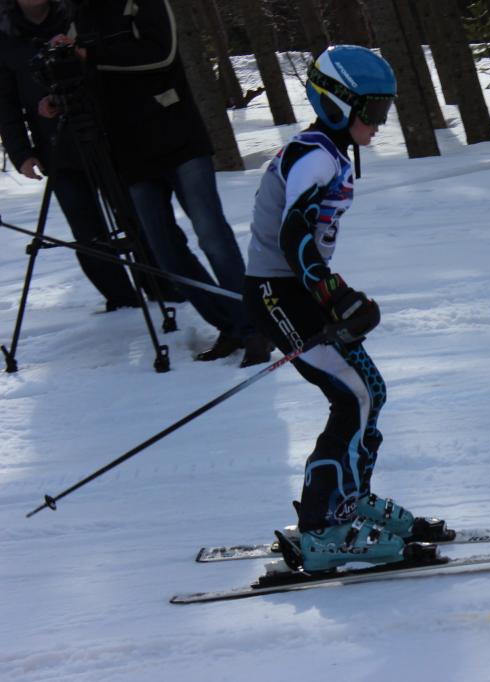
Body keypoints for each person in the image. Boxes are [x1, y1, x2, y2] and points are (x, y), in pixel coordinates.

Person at [244, 46, 421, 571]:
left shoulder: (329, 150)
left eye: (384, 111)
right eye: (373, 111)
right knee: (351, 396)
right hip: (278, 293)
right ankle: (322, 529)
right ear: (338, 104)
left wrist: (333, 291)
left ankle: (350, 500)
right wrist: (333, 294)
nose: (379, 122)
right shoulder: (316, 153)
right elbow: (294, 229)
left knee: (371, 390)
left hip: (298, 289)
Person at [58, 0, 270, 366]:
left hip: (178, 137)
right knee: (165, 254)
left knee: (212, 236)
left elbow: (161, 52)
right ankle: (231, 325)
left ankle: (255, 328)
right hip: (131, 153)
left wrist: (91, 53)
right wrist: (57, 88)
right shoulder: (80, 15)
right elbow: (84, 74)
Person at [0, 0, 139, 311]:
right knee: (87, 231)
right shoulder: (5, 36)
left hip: (106, 134)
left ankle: (165, 287)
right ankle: (122, 301)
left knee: (135, 217)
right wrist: (21, 153)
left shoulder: (78, 16)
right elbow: (6, 103)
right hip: (56, 146)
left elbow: (109, 67)